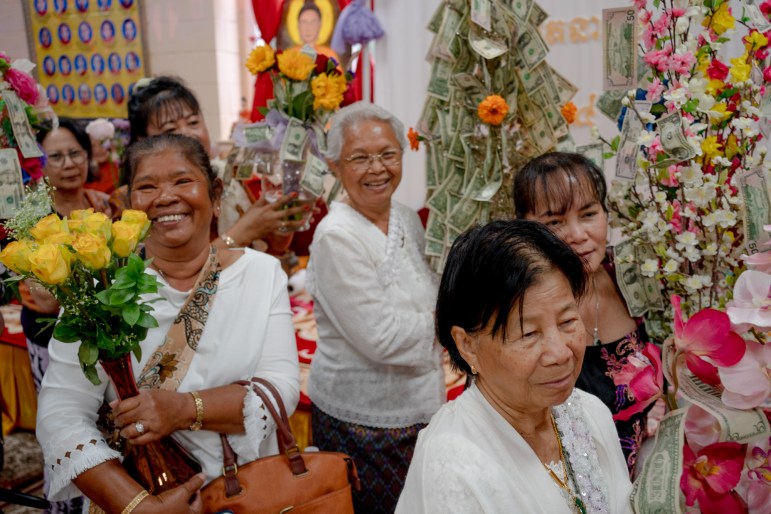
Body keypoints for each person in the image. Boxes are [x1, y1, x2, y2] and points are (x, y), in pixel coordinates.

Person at [36, 134, 301, 513]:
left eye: (182, 181)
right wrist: (138, 506)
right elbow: (61, 413)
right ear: (128, 204)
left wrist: (182, 409)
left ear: (216, 194)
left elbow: (281, 388)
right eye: (147, 186)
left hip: (247, 491)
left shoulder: (260, 273)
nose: (165, 197)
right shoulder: (98, 288)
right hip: (134, 492)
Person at [396, 220, 633, 513]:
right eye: (529, 334)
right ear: (468, 345)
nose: (560, 353)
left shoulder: (589, 412)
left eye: (568, 321)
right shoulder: (452, 466)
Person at [307, 102, 444, 513]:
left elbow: (431, 290)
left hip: (420, 406)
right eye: (360, 158)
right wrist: (453, 321)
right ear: (334, 166)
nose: (377, 169)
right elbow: (381, 337)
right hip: (362, 423)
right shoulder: (336, 235)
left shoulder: (406, 217)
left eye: (388, 154)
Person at [513, 152, 662, 475]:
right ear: (525, 229)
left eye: (588, 214)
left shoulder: (632, 278)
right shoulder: (520, 309)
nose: (577, 235)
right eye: (554, 222)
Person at [123, 76, 308, 254]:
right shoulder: (133, 200)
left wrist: (284, 218)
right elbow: (175, 269)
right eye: (170, 129)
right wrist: (243, 232)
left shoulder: (232, 176)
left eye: (193, 122)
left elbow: (275, 246)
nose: (188, 134)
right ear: (143, 140)